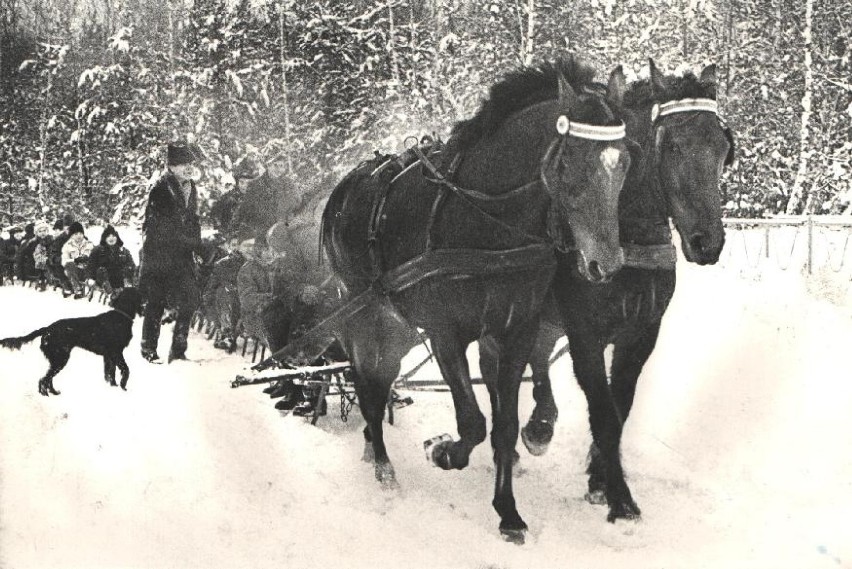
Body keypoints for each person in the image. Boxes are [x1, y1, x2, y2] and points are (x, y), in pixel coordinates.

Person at [138, 142, 204, 364]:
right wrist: (189, 242)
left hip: (181, 256)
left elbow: (192, 219)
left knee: (191, 299)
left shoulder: (190, 187)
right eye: (183, 164)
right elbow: (160, 227)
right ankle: (148, 348)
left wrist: (198, 241)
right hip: (159, 256)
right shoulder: (160, 189)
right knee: (156, 302)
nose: (188, 168)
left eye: (190, 164)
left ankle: (178, 349)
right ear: (172, 167)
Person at [231, 146, 303, 245]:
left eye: (281, 166)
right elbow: (243, 211)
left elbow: (298, 206)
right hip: (261, 238)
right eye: (275, 165)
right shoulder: (255, 185)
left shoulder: (290, 185)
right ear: (268, 165)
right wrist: (234, 235)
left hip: (285, 235)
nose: (278, 169)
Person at [203, 236, 246, 352]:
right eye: (233, 245)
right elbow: (212, 286)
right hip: (227, 299)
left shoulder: (247, 263)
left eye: (238, 245)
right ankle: (226, 332)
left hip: (244, 295)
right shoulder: (222, 264)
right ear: (228, 247)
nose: (236, 248)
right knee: (223, 293)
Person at [87, 225, 136, 297]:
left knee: (131, 269)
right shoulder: (97, 250)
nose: (111, 238)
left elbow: (131, 264)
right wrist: (90, 278)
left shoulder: (123, 250)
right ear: (104, 238)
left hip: (120, 278)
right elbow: (91, 266)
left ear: (117, 237)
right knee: (101, 270)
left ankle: (128, 290)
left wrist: (129, 269)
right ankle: (110, 294)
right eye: (108, 236)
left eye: (113, 236)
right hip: (104, 278)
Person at [61, 222, 94, 299]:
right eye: (75, 234)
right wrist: (75, 260)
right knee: (69, 265)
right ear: (71, 235)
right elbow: (64, 261)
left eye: (80, 233)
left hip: (87, 270)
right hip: (76, 271)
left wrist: (87, 258)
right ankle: (78, 288)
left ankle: (91, 283)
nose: (78, 236)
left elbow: (95, 257)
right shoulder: (67, 246)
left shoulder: (89, 244)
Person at [15, 221, 52, 287]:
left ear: (47, 231)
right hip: (33, 267)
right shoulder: (31, 242)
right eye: (40, 231)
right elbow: (20, 257)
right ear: (36, 233)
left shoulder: (52, 240)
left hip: (49, 265)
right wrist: (20, 274)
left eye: (44, 231)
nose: (42, 233)